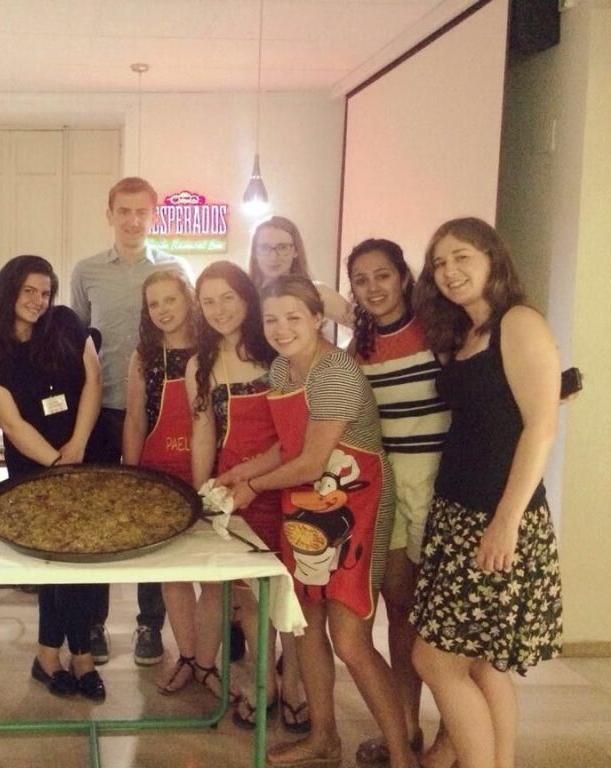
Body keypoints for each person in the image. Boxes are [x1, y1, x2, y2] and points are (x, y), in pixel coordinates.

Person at [219, 275, 413, 768]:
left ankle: (402, 755)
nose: (281, 329)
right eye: (271, 319)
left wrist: (253, 486)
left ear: (317, 318)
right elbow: (290, 446)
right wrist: (241, 471)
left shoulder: (336, 371)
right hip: (304, 504)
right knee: (306, 626)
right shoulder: (282, 369)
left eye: (293, 317)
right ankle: (323, 737)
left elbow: (311, 462)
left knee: (350, 640)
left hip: (356, 503)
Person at [409, 218, 562, 768]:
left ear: (492, 258)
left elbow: (541, 427)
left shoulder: (517, 321)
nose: (449, 271)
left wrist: (506, 522)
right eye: (439, 263)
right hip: (458, 513)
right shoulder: (465, 332)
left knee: (435, 661)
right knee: (482, 665)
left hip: (495, 518)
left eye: (462, 257)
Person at [70, 176, 191, 666]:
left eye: (142, 211)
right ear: (110, 214)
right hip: (101, 409)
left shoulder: (173, 270)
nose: (133, 220)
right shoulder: (86, 272)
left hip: (160, 410)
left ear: (154, 216)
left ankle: (149, 624)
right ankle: (93, 623)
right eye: (124, 211)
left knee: (153, 514)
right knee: (98, 515)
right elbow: (77, 341)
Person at [0, 255, 107, 701]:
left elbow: (93, 381)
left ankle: (68, 656)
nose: (38, 300)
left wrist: (77, 447)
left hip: (85, 451)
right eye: (28, 291)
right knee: (52, 561)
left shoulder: (66, 322)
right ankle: (62, 657)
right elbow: (12, 424)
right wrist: (56, 464)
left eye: (45, 292)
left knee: (81, 560)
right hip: (34, 466)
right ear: (9, 291)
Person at [346, 238, 453, 767]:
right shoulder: (357, 348)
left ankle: (456, 737)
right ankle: (407, 726)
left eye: (382, 275)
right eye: (361, 280)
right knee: (400, 610)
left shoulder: (440, 331)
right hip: (387, 488)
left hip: (440, 487)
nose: (373, 288)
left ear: (404, 277)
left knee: (448, 621)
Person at [186, 261, 299, 729]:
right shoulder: (200, 363)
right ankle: (264, 684)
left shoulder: (278, 350)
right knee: (248, 595)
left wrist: (251, 478)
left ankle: (295, 687)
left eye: (227, 298)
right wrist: (201, 496)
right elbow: (203, 434)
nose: (219, 310)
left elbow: (294, 436)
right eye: (208, 301)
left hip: (287, 482)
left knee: (291, 593)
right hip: (232, 491)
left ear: (247, 298)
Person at [121, 270, 208, 695]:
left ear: (188, 298)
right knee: (173, 572)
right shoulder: (144, 357)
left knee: (214, 573)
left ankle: (209, 657)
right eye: (153, 304)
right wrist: (131, 475)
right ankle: (187, 654)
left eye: (170, 299)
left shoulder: (211, 350)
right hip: (158, 476)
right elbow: (135, 420)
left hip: (207, 472)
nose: (162, 310)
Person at [247, 216, 353, 330]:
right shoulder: (244, 296)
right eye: (264, 248)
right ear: (255, 252)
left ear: (296, 251)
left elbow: (363, 325)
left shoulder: (317, 292)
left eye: (283, 247)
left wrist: (330, 343)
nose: (273, 257)